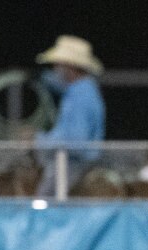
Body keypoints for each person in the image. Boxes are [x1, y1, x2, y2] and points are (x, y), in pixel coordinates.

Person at [32, 36, 105, 196]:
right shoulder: (80, 91)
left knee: (43, 200)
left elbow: (75, 140)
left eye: (58, 64)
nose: (55, 69)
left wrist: (37, 139)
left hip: (72, 165)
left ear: (69, 66)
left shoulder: (81, 95)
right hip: (74, 162)